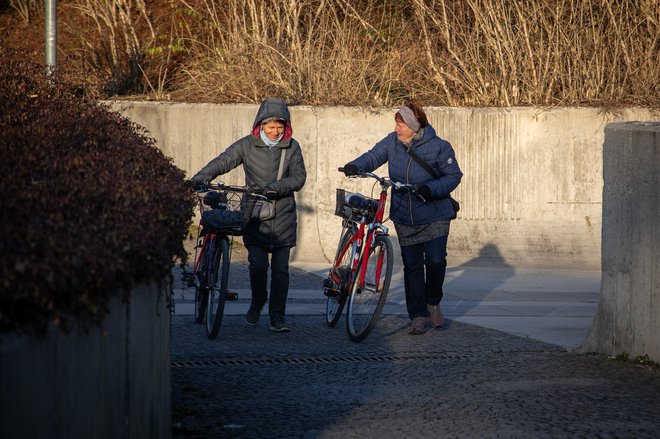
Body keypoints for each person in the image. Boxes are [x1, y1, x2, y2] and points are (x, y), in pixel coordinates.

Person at [342, 101, 462, 334]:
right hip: (404, 214)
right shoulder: (391, 142)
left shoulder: (439, 147)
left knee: (436, 261)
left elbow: (453, 176)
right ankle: (417, 316)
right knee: (413, 266)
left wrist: (430, 188)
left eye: (402, 124)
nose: (397, 128)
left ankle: (433, 302)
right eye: (396, 123)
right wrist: (355, 166)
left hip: (435, 213)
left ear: (415, 126)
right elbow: (373, 156)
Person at [191, 97, 306, 332]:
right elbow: (224, 161)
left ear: (286, 126)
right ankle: (257, 301)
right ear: (260, 125)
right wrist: (201, 177)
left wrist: (277, 187)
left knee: (281, 272)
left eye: (280, 127)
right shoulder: (247, 145)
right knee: (257, 266)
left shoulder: (292, 147)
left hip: (283, 215)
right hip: (254, 214)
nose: (275, 132)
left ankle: (277, 316)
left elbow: (298, 177)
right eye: (271, 127)